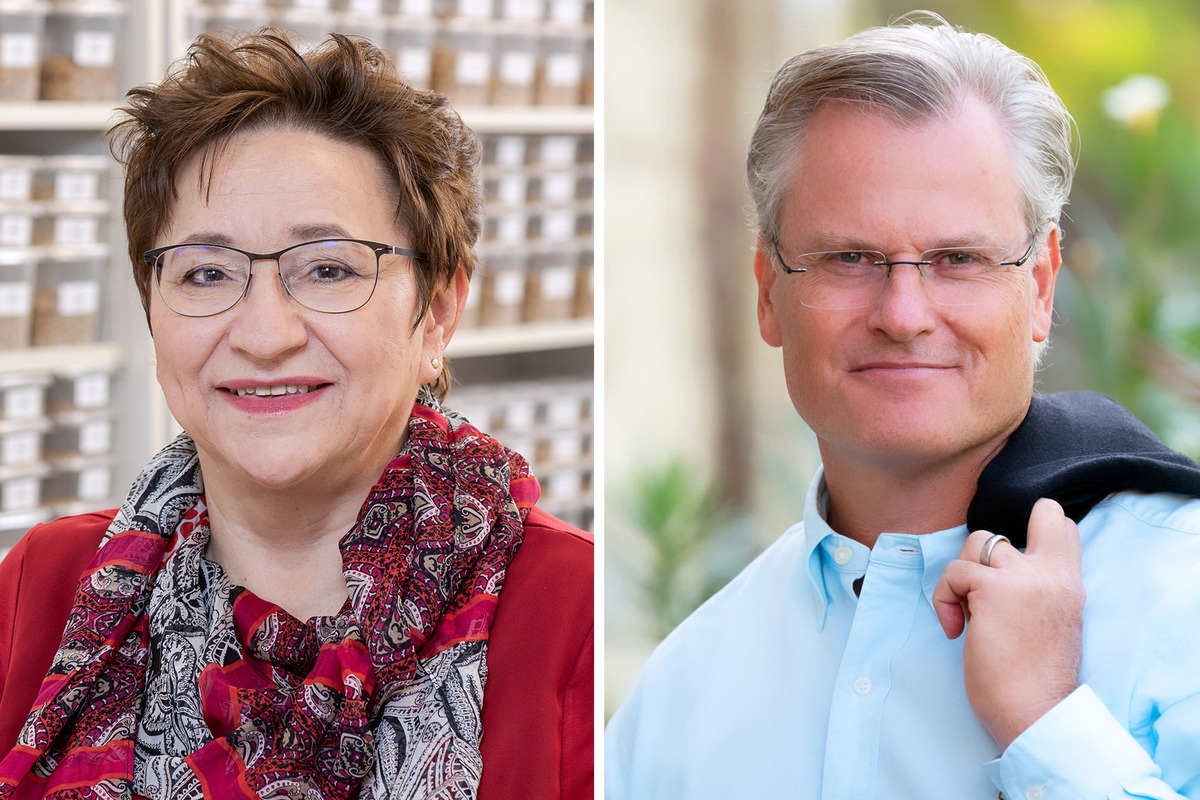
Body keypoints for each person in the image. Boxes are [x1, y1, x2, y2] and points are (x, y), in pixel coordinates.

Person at [606, 14, 1200, 799]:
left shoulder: (1180, 599)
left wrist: (1047, 726)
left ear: (1042, 289)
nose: (904, 313)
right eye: (849, 257)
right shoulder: (683, 692)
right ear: (767, 292)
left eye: (959, 258)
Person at [0, 30, 592, 800]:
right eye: (207, 272)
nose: (266, 334)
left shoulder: (568, 610)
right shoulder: (43, 583)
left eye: (329, 268)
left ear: (439, 311)